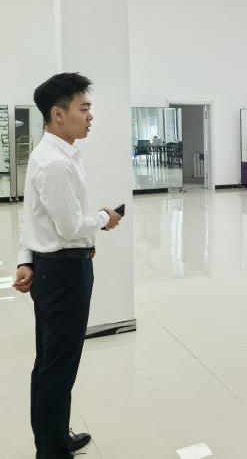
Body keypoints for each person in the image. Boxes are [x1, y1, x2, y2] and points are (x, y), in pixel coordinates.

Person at [13, 73, 123, 459]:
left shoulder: (52, 155)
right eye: (84, 108)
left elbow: (32, 216)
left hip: (51, 268)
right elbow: (71, 227)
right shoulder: (56, 163)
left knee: (51, 363)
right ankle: (52, 451)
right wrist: (105, 217)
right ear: (58, 114)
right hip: (64, 273)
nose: (90, 116)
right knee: (57, 366)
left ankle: (55, 439)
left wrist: (26, 259)